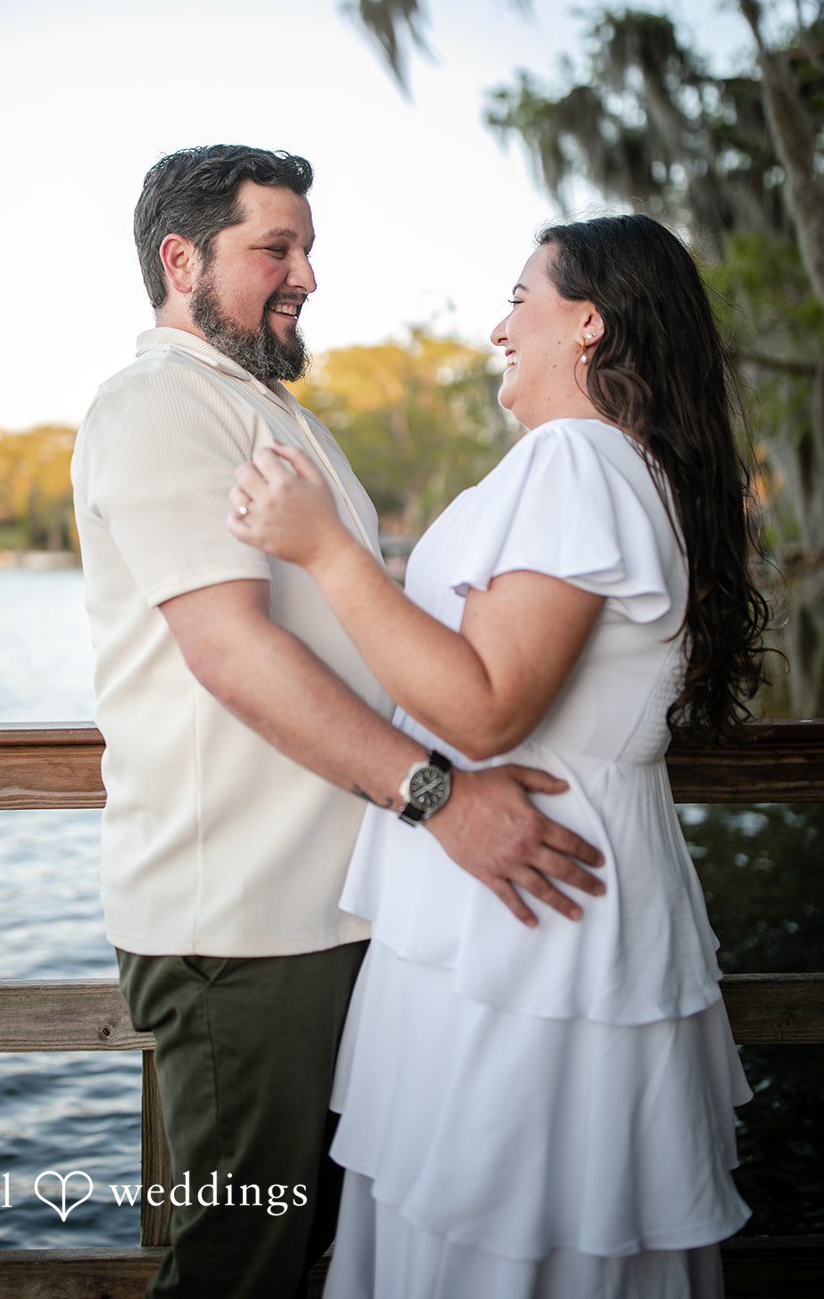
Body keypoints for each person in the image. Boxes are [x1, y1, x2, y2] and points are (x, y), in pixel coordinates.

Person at [70, 146, 608, 1299]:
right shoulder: (159, 404)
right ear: (181, 258)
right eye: (276, 247)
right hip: (240, 924)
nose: (305, 272)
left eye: (306, 246)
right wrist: (438, 795)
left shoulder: (264, 409)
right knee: (240, 1263)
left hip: (328, 913)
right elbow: (231, 652)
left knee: (311, 1249)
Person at [229, 214, 767, 1299]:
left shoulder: (571, 462)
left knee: (497, 1231)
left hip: (525, 914)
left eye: (518, 298)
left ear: (585, 324)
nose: (494, 328)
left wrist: (327, 549)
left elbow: (483, 712)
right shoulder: (616, 466)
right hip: (542, 891)